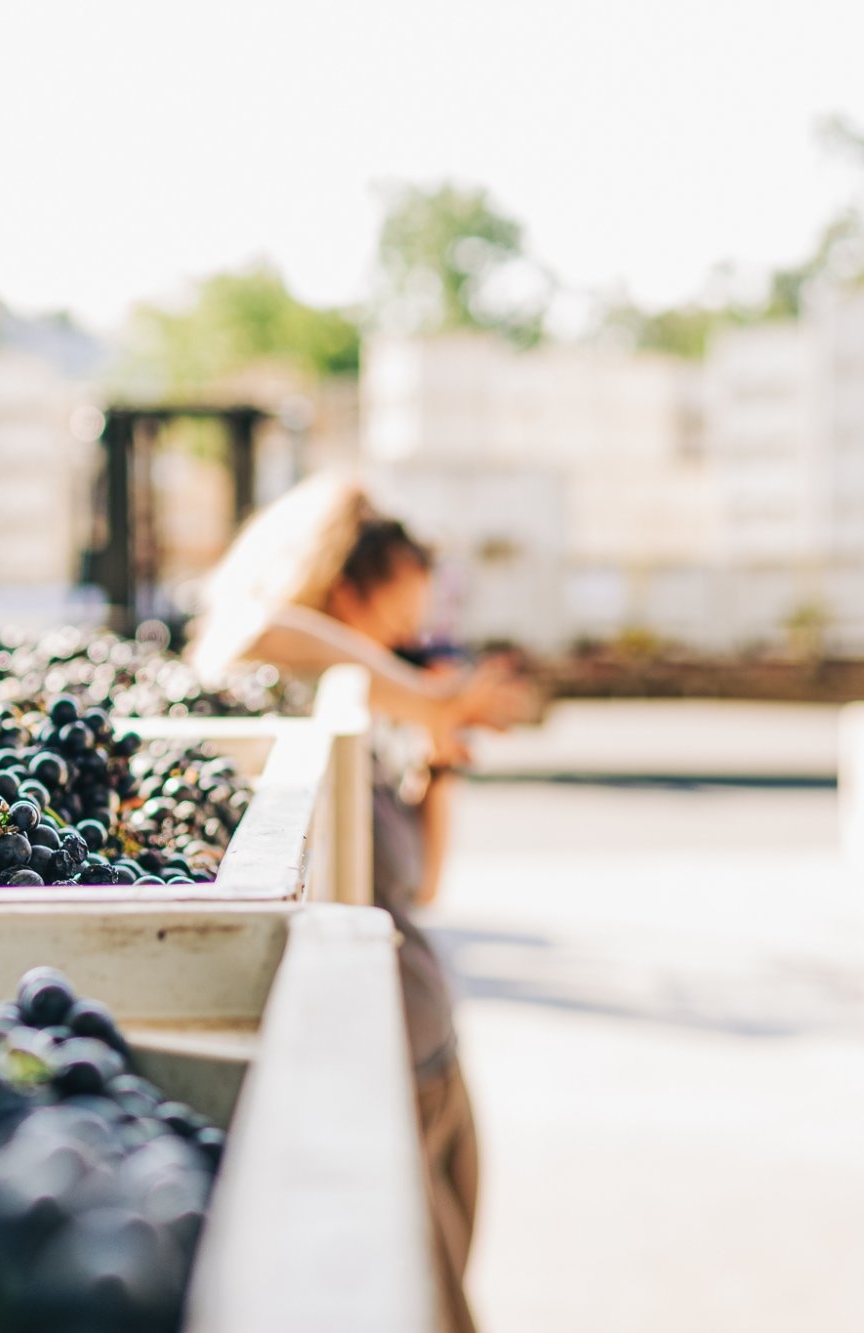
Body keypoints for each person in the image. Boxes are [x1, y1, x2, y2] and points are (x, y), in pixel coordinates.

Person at [191, 474, 534, 1333]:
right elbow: (245, 626)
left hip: (431, 1043)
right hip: (380, 1057)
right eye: (398, 625)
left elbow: (419, 884)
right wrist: (423, 696)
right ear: (343, 593)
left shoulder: (360, 708)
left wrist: (439, 753)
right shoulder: (281, 687)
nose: (412, 647)